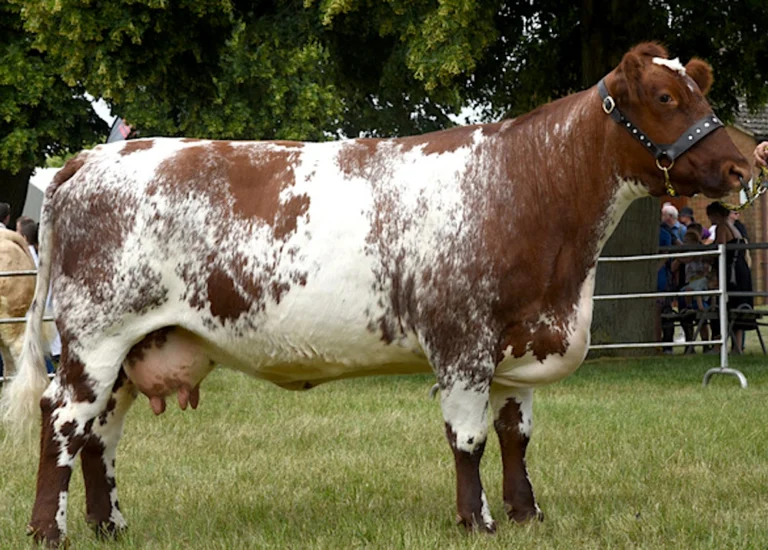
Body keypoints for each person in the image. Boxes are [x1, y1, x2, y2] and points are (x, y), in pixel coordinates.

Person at [706, 201, 754, 354]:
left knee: (724, 306)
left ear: (716, 214)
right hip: (741, 270)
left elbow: (720, 250)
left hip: (731, 271)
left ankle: (717, 345)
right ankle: (737, 346)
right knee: (738, 306)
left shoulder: (722, 227)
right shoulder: (735, 227)